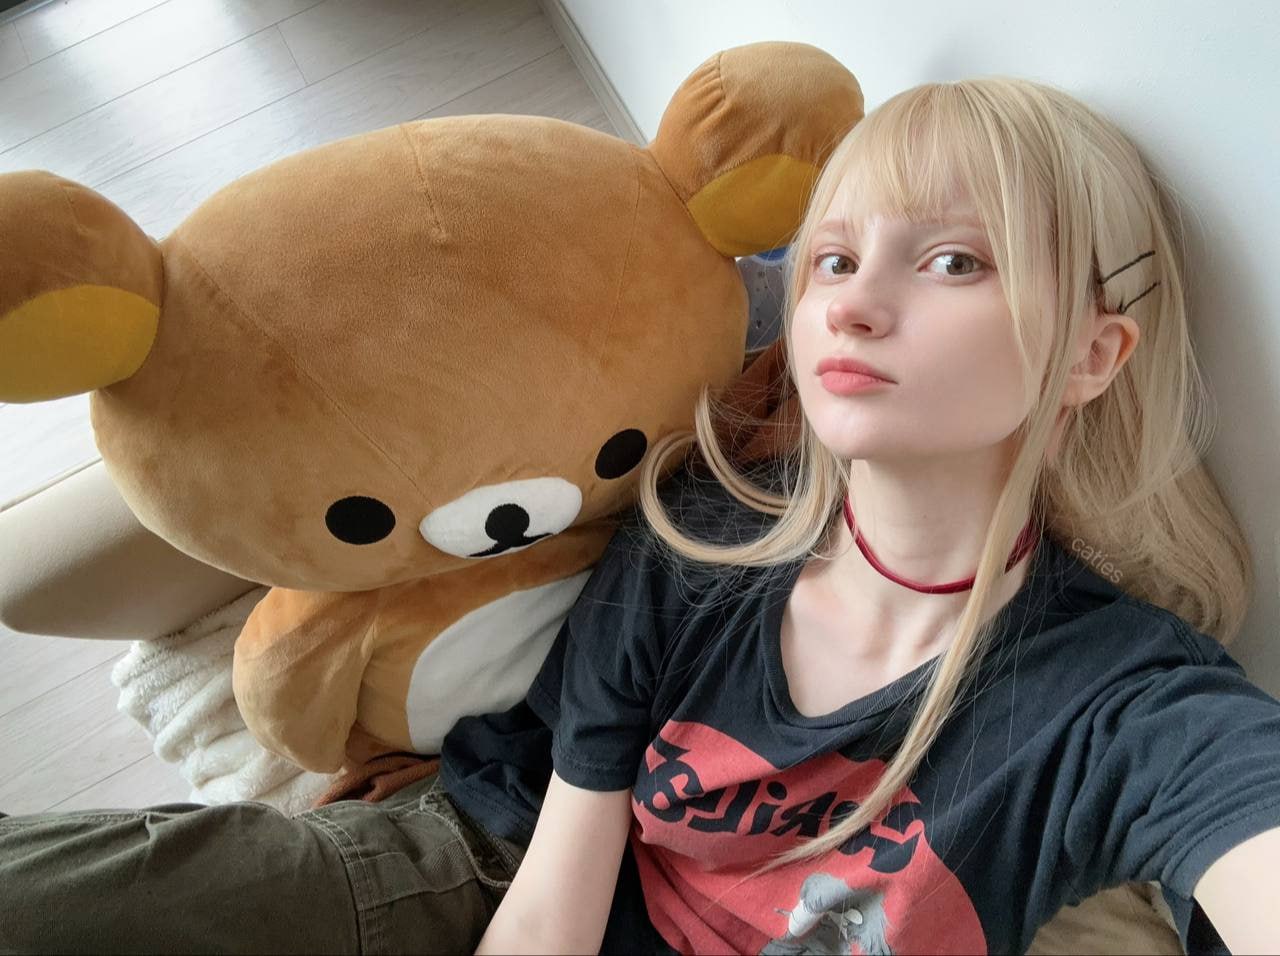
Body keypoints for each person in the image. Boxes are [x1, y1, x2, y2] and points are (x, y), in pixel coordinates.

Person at [3, 74, 1279, 956]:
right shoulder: (701, 530)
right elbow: (554, 892)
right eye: (835, 257)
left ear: (1091, 354)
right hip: (481, 865)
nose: (851, 302)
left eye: (954, 259)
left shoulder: (1114, 696)